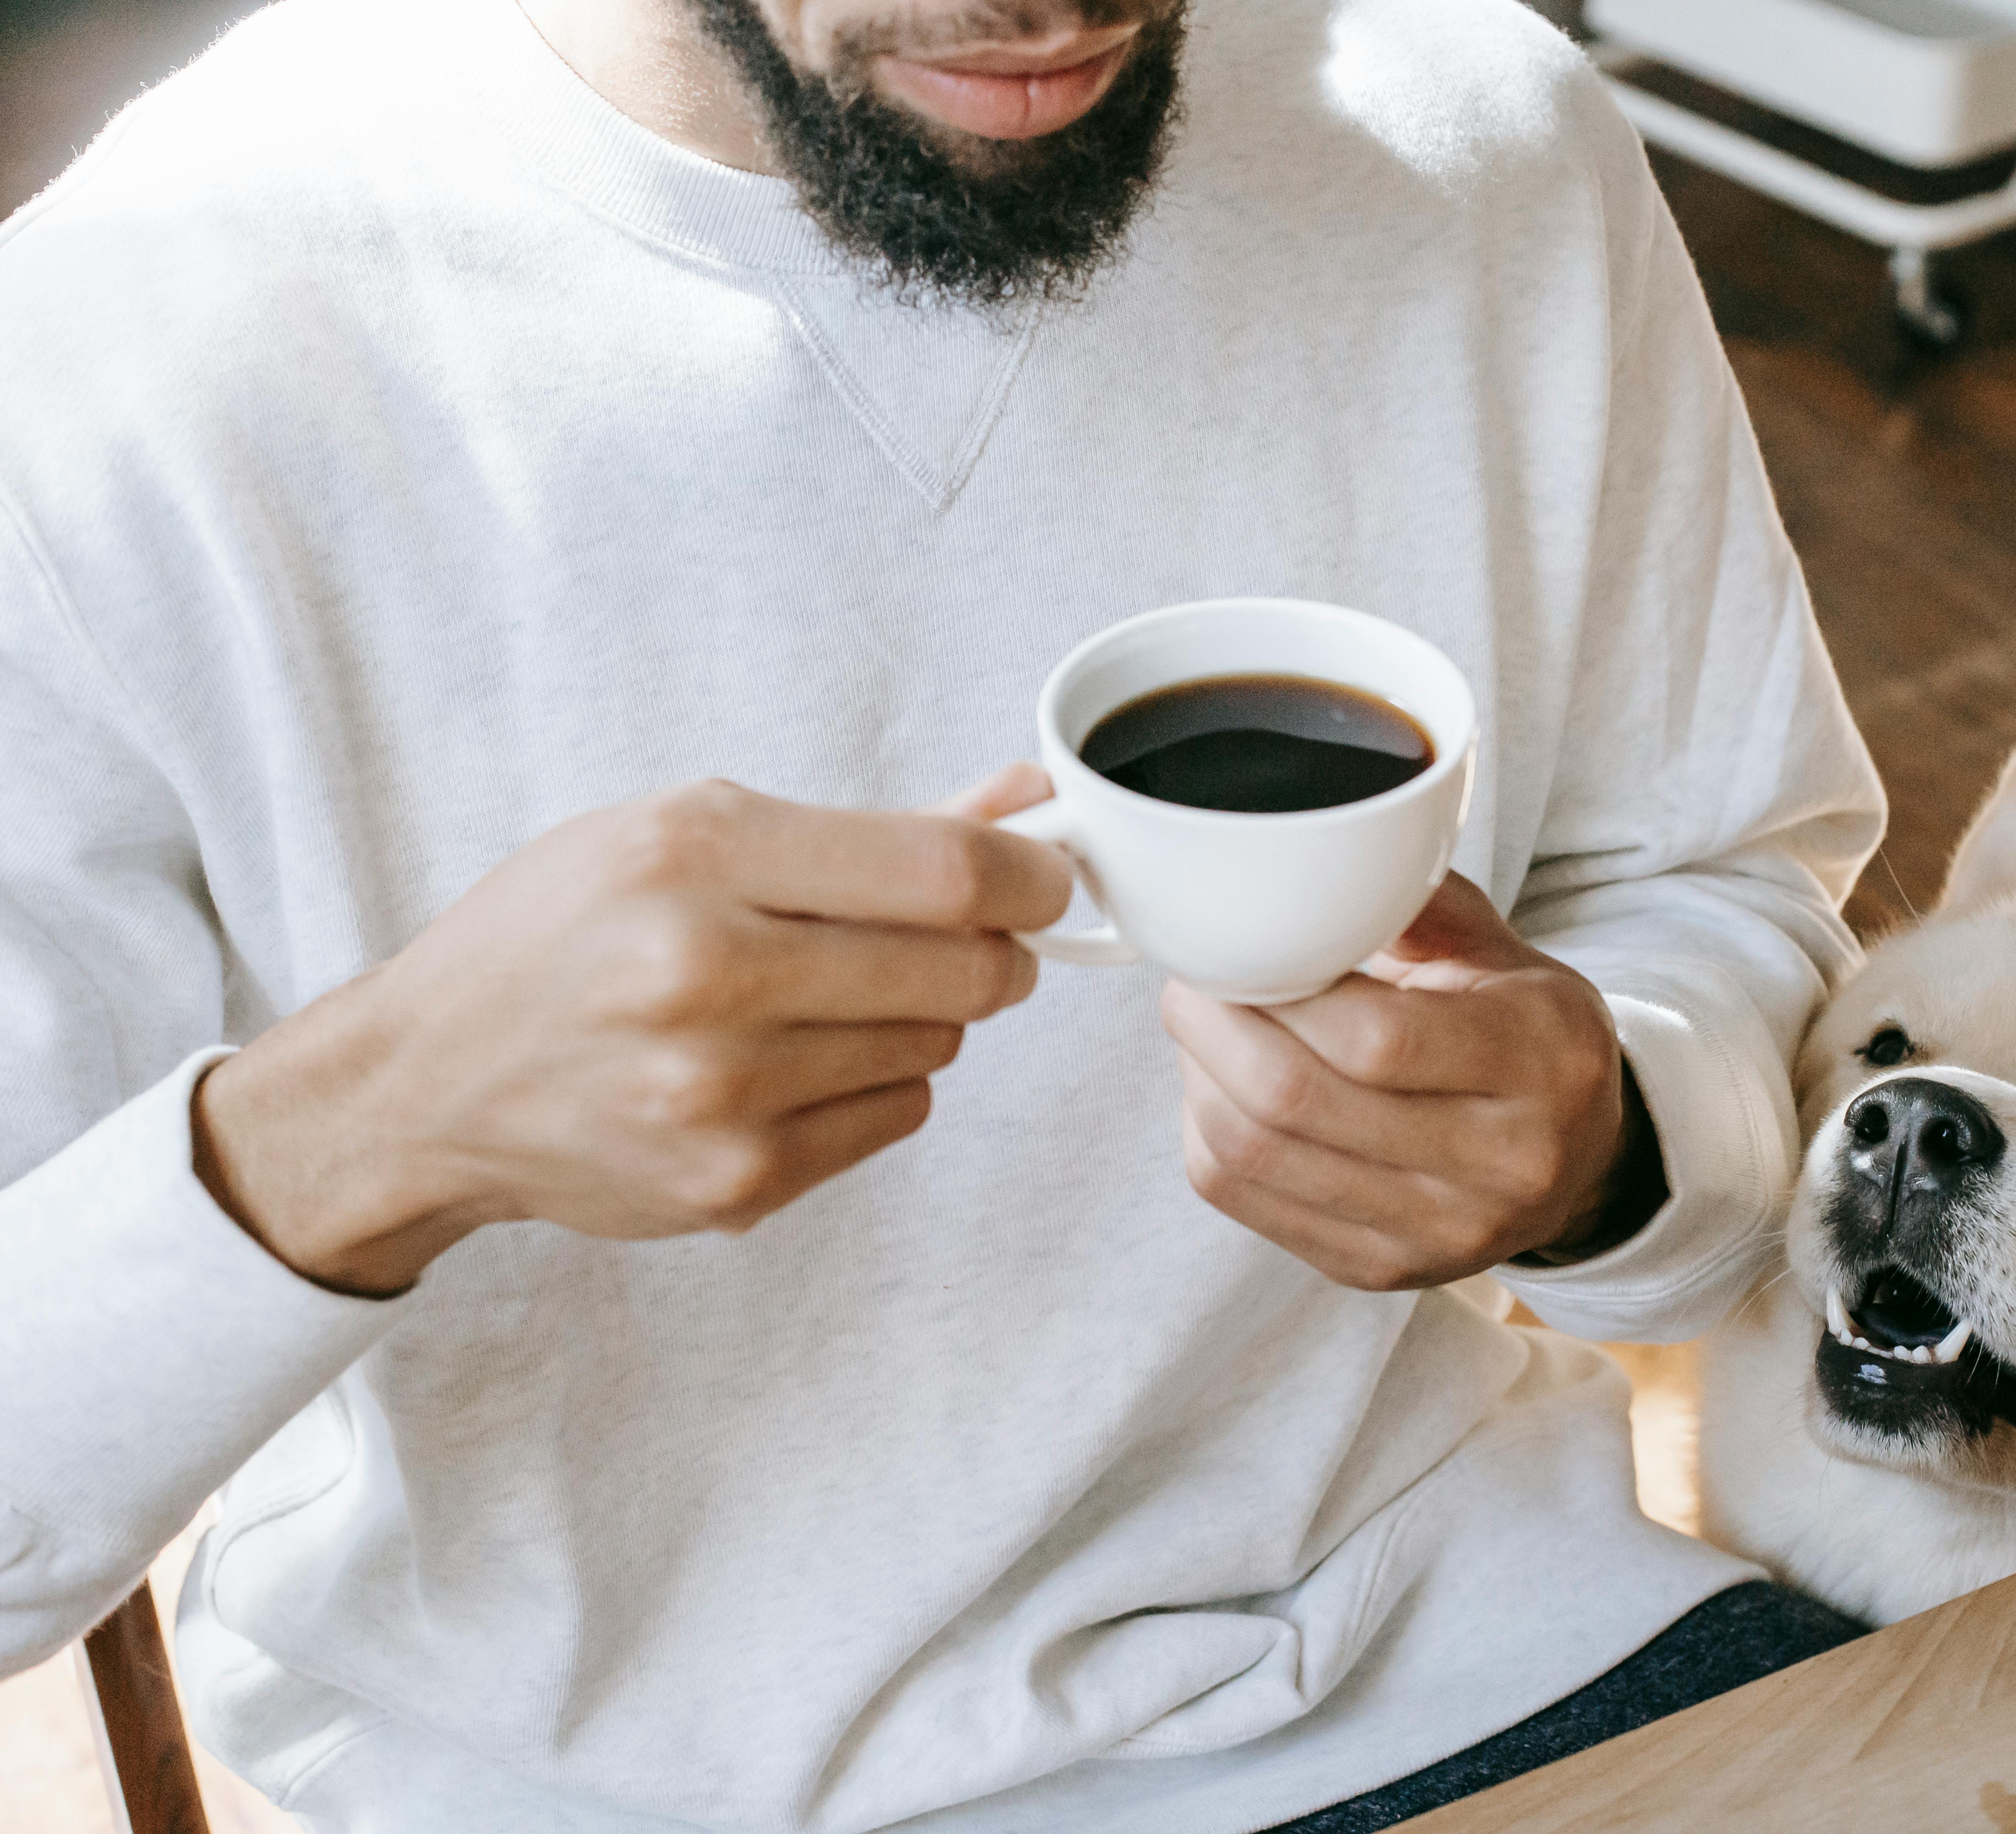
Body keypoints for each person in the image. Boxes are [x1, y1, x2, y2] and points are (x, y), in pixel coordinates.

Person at [0, 0, 1886, 1826]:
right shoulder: (125, 357)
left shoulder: (1488, 141)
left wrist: (1606, 1145)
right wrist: (358, 1138)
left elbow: (1717, 879)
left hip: (1456, 1636)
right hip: (580, 1790)